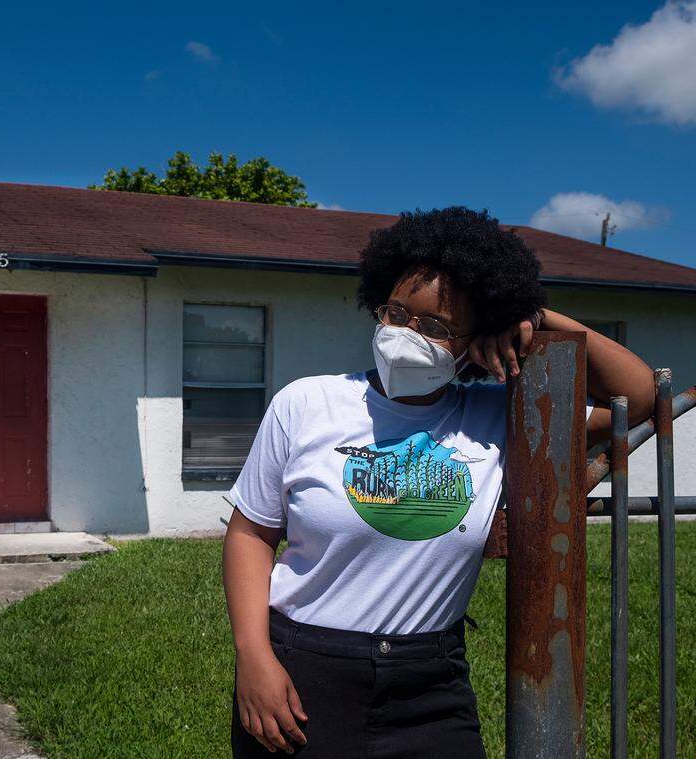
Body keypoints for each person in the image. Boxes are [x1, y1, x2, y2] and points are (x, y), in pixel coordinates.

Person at [222, 207, 654, 758]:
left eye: (435, 327)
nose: (405, 334)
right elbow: (250, 535)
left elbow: (638, 400)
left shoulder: (504, 417)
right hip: (303, 669)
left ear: (477, 341)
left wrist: (538, 319)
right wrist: (253, 657)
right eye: (397, 312)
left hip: (431, 684)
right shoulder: (306, 403)